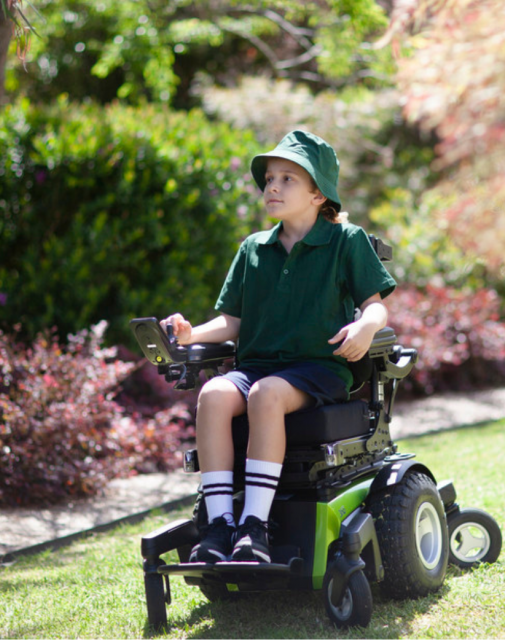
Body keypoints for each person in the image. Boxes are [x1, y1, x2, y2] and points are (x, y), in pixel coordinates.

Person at [161, 130, 396, 564]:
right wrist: (192, 334)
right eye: (270, 177)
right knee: (213, 394)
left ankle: (255, 525)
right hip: (258, 366)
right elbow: (233, 321)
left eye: (288, 178)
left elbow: (375, 308)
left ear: (317, 194)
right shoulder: (254, 248)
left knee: (266, 394)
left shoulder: (346, 241)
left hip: (317, 369)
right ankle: (219, 525)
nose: (272, 186)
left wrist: (365, 326)